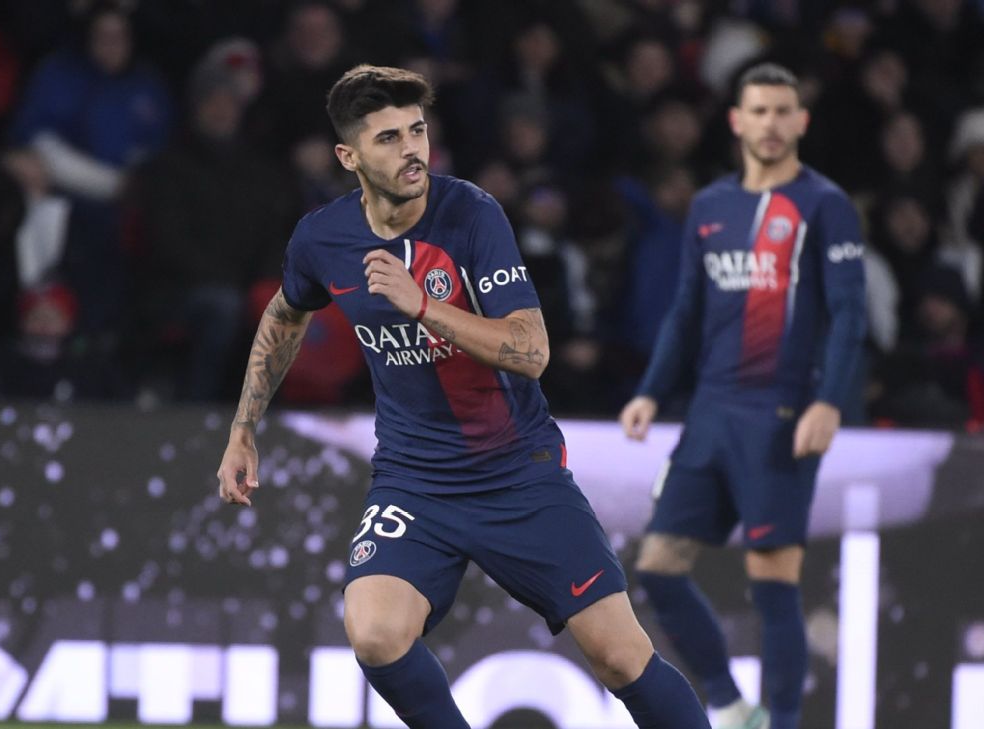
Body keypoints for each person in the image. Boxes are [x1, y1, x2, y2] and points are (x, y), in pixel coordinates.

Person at [216, 64, 710, 729]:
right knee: (375, 633)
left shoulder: (471, 214)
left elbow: (532, 350)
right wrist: (243, 427)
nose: (411, 149)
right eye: (388, 137)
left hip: (518, 473)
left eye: (417, 131)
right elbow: (285, 315)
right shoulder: (322, 238)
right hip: (414, 482)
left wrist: (422, 305)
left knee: (621, 657)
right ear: (348, 156)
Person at [618, 63, 868, 729]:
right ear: (735, 120)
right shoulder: (709, 207)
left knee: (772, 578)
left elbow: (849, 312)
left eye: (783, 111)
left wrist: (830, 400)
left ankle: (782, 723)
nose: (771, 123)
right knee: (658, 567)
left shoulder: (825, 205)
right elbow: (685, 312)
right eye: (759, 110)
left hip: (780, 413)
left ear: (802, 121)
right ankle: (730, 704)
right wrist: (651, 391)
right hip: (710, 412)